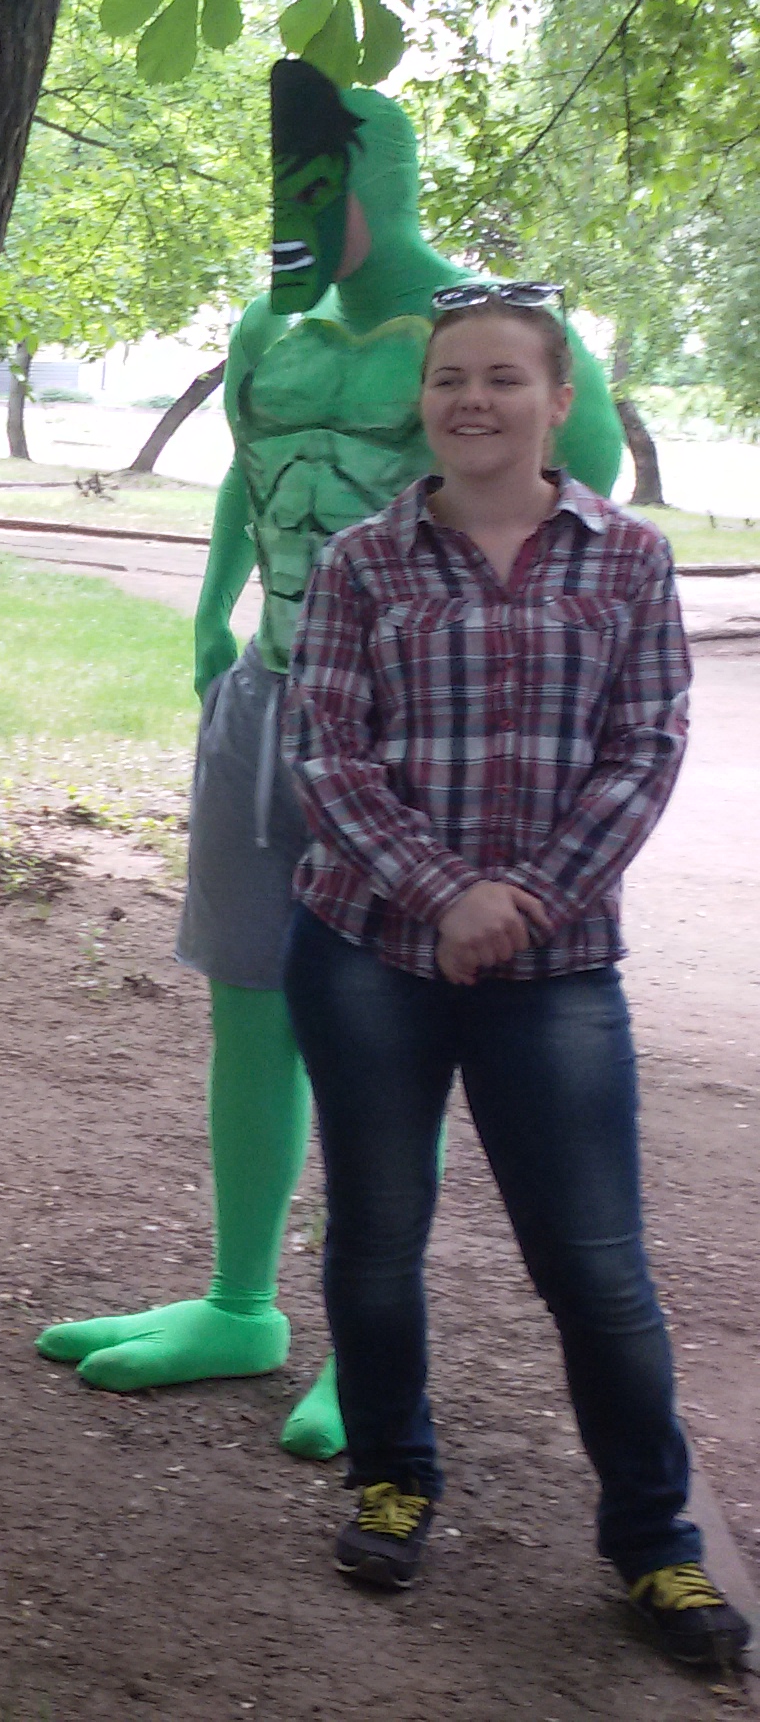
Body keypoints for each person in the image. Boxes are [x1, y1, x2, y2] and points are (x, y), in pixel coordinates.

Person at [35, 60, 626, 1459]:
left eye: (318, 178)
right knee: (251, 1002)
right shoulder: (271, 326)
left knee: (388, 1025)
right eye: (281, 178)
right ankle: (241, 1305)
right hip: (269, 698)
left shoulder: (494, 337)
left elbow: (587, 497)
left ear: (375, 173)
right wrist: (212, 607)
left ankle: (373, 1349)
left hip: (418, 735)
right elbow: (255, 470)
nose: (294, 207)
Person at [281, 287, 747, 1673]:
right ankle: (394, 1479)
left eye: (502, 378)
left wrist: (522, 903)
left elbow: (647, 749)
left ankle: (655, 1543)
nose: (471, 400)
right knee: (378, 1237)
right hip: (366, 951)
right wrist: (446, 894)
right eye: (449, 379)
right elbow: (326, 754)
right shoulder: (363, 561)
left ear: (558, 401)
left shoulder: (631, 559)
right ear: (422, 400)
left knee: (599, 1270)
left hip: (558, 970)